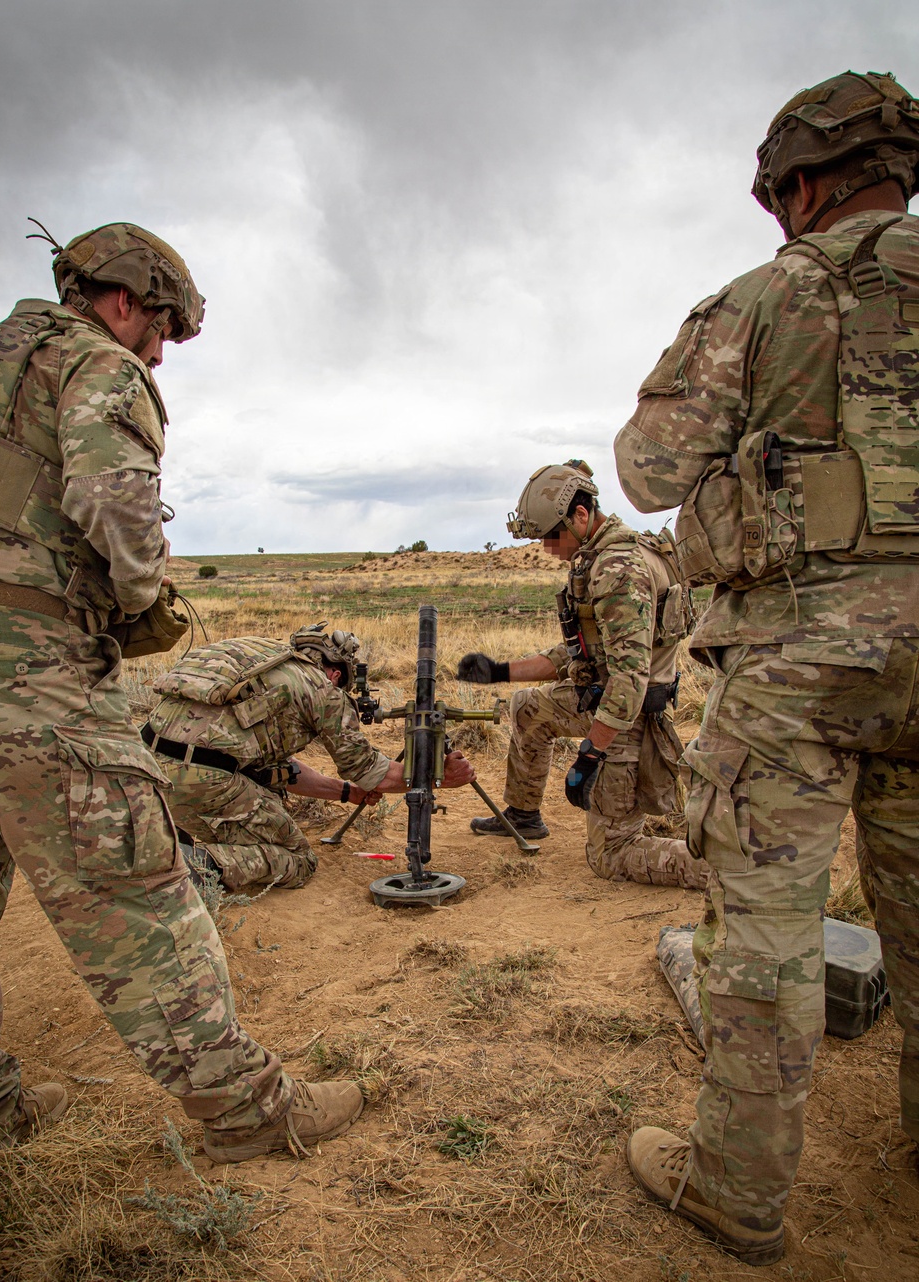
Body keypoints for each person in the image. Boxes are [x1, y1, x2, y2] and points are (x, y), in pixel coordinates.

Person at [0, 223, 361, 1163]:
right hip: (23, 668)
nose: (158, 353)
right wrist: (138, 604)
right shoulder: (95, 365)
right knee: (138, 889)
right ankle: (249, 1112)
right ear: (126, 300)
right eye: (160, 331)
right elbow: (118, 505)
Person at [614, 70, 919, 1265]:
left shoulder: (765, 297)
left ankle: (738, 1188)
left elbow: (648, 466)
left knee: (766, 938)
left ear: (796, 184)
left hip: (801, 656)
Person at [458, 460, 707, 891]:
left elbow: (629, 681)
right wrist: (499, 672)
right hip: (603, 700)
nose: (548, 549)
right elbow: (579, 652)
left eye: (551, 537)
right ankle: (523, 814)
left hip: (626, 722)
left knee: (612, 856)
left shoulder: (617, 568)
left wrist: (590, 754)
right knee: (529, 708)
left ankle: (729, 874)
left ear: (580, 515)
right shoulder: (603, 554)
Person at [140, 623, 476, 894]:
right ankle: (191, 866)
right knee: (298, 860)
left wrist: (348, 792)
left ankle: (169, 838)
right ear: (334, 674)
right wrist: (440, 777)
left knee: (249, 784)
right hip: (201, 781)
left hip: (145, 770)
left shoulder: (262, 663)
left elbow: (281, 771)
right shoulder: (323, 691)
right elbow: (375, 774)